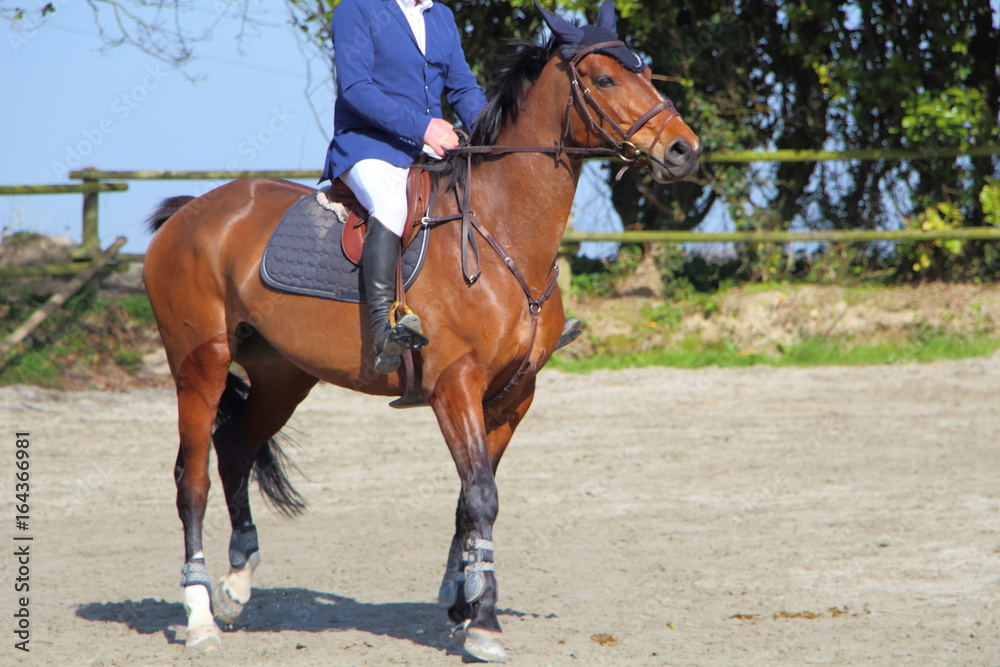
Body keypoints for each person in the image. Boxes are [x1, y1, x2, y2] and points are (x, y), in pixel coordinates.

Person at [320, 0, 488, 374]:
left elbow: (462, 88)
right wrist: (423, 127)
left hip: (429, 149)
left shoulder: (439, 15)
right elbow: (356, 89)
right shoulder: (357, 9)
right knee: (392, 203)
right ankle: (383, 331)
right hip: (368, 144)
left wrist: (492, 131)